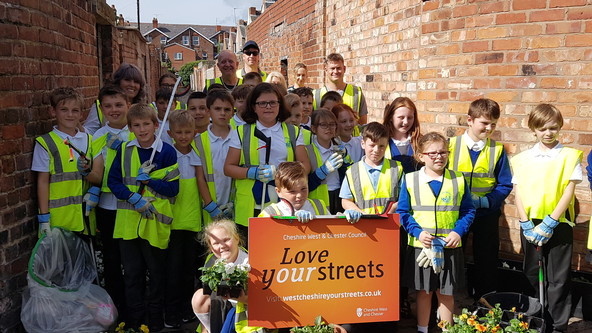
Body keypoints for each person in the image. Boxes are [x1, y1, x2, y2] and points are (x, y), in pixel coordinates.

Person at [108, 103, 180, 332]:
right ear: (130, 127)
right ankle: (135, 322)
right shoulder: (124, 150)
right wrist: (133, 197)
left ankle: (155, 322)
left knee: (157, 275)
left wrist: (150, 182)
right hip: (128, 224)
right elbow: (113, 182)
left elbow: (173, 189)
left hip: (155, 223)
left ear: (156, 125)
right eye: (136, 125)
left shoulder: (166, 152)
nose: (142, 129)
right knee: (131, 275)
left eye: (146, 124)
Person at [512, 104, 582, 333]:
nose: (548, 133)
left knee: (558, 277)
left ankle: (557, 325)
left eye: (553, 128)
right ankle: (536, 316)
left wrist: (550, 222)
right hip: (530, 224)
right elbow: (519, 192)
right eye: (542, 128)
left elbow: (568, 191)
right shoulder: (522, 159)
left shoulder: (569, 156)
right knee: (532, 271)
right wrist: (524, 222)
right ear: (534, 129)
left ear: (560, 127)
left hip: (558, 223)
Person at [396, 132, 475, 333]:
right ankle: (423, 329)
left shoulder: (458, 179)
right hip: (422, 248)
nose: (438, 157)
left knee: (446, 293)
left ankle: (447, 330)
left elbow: (468, 210)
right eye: (432, 153)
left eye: (443, 152)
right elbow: (403, 212)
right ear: (421, 155)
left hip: (449, 246)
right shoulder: (410, 180)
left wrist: (458, 232)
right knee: (424, 291)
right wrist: (417, 233)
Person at [224, 83, 310, 239]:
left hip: (284, 203)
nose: (268, 107)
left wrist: (280, 173)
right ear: (253, 107)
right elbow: (228, 168)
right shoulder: (241, 132)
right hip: (250, 205)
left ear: (279, 105)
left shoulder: (294, 132)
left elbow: (305, 166)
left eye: (273, 102)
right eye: (262, 103)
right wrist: (252, 172)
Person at [447, 98, 512, 300]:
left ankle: (486, 303)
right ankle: (452, 301)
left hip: (486, 213)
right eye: (484, 123)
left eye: (493, 123)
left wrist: (487, 202)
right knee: (453, 256)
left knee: (486, 260)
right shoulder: (450, 146)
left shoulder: (497, 150)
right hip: (457, 213)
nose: (489, 128)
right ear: (470, 120)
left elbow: (505, 184)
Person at [86, 85, 132, 319]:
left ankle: (137, 310)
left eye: (118, 105)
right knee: (113, 262)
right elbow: (96, 173)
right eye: (108, 106)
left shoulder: (137, 130)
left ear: (128, 106)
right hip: (108, 207)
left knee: (134, 263)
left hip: (134, 207)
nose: (113, 110)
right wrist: (86, 172)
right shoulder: (98, 136)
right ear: (101, 109)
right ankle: (118, 312)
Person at [32, 87, 94, 235]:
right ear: (53, 111)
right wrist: (44, 218)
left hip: (85, 217)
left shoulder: (89, 140)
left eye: (75, 110)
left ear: (81, 113)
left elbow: (98, 173)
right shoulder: (45, 142)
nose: (70, 115)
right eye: (64, 110)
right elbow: (42, 181)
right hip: (58, 219)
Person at [164, 109, 203, 328]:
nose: (183, 136)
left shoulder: (196, 154)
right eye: (179, 132)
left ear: (195, 132)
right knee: (172, 271)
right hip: (172, 221)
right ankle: (171, 313)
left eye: (188, 132)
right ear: (170, 133)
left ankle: (188, 311)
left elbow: (200, 183)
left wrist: (209, 205)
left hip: (192, 219)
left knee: (189, 269)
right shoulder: (167, 154)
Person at [191, 220, 249, 333]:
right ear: (211, 247)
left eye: (226, 240)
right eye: (216, 243)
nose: (222, 246)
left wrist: (240, 298)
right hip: (224, 306)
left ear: (237, 239)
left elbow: (259, 301)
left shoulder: (249, 262)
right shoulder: (212, 261)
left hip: (245, 309)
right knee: (200, 297)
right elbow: (208, 292)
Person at [340, 122, 402, 223]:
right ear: (363, 144)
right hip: (363, 224)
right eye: (372, 145)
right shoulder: (352, 171)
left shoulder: (397, 168)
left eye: (381, 146)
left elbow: (404, 198)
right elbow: (346, 200)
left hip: (391, 224)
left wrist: (393, 209)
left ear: (387, 146)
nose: (376, 150)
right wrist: (359, 213)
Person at [195, 90, 234, 225]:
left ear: (232, 112)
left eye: (227, 109)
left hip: (233, 204)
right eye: (217, 109)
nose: (222, 113)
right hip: (209, 205)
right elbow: (200, 177)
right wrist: (209, 204)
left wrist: (234, 203)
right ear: (208, 111)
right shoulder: (199, 141)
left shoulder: (238, 138)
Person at [306, 109, 349, 214]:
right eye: (323, 125)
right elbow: (305, 184)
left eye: (332, 124)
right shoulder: (307, 150)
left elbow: (349, 175)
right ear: (314, 128)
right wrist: (322, 171)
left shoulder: (339, 148)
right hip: (318, 200)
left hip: (339, 195)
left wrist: (345, 160)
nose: (329, 128)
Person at [84, 63, 146, 134]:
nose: (132, 85)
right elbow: (89, 133)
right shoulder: (99, 106)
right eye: (127, 80)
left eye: (136, 82)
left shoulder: (144, 108)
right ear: (118, 81)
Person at [259, 161, 328, 220]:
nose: (299, 195)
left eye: (303, 189)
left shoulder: (319, 206)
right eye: (292, 191)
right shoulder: (269, 213)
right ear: (278, 192)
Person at [313, 53, 368, 125]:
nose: (335, 71)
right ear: (326, 70)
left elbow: (362, 122)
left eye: (338, 68)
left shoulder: (357, 93)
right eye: (332, 68)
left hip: (351, 136)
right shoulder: (316, 95)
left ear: (344, 69)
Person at [382, 97, 422, 173]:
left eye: (410, 118)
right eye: (401, 117)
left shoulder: (420, 142)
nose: (406, 122)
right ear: (391, 117)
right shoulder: (381, 141)